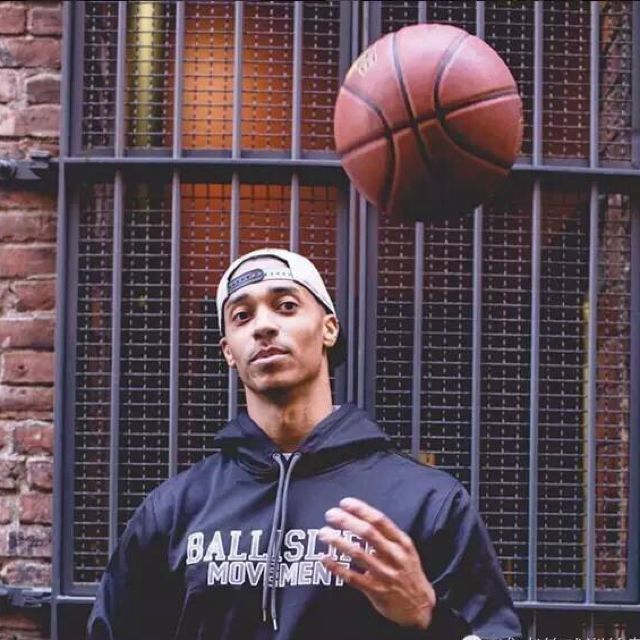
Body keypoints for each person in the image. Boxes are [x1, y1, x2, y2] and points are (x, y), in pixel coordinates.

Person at [87, 248, 522, 640]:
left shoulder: (426, 501)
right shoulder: (174, 510)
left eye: (286, 306)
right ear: (228, 351)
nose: (264, 326)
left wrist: (429, 617)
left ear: (329, 328)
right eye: (242, 316)